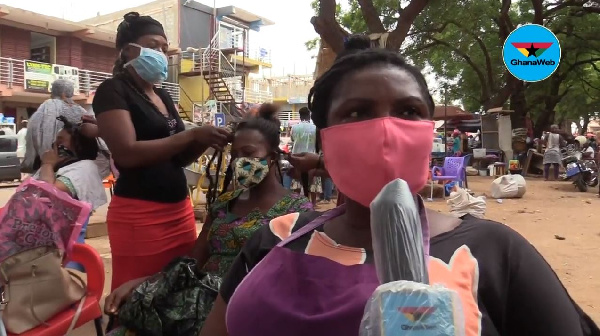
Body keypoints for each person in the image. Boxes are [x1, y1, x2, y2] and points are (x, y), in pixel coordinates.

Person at [200, 36, 599, 336]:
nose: (386, 131)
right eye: (357, 112)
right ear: (324, 138)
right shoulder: (270, 242)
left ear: (428, 131)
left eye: (408, 112)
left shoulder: (495, 253)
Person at [104, 104, 313, 336]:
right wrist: (144, 282)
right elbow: (194, 260)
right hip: (197, 300)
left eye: (248, 153)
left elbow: (296, 285)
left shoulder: (297, 212)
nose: (238, 162)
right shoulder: (224, 204)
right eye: (234, 155)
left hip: (244, 310)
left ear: (272, 157)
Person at [92, 12, 231, 292]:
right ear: (129, 50)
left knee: (175, 289)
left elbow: (179, 157)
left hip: (179, 212)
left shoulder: (164, 95)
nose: (160, 54)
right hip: (140, 216)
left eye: (164, 49)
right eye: (153, 46)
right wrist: (191, 134)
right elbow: (127, 153)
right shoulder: (112, 91)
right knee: (137, 295)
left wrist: (204, 139)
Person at [34, 116, 107, 271]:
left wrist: (47, 163)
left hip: (65, 257)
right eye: (55, 141)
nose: (55, 145)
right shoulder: (60, 168)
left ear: (78, 145)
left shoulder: (84, 168)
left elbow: (48, 194)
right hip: (46, 253)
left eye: (61, 141)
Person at [290, 107, 320, 204]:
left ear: (300, 115)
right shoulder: (315, 128)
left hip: (297, 158)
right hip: (312, 158)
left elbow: (292, 140)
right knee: (313, 183)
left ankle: (298, 204)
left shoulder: (294, 128)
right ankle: (313, 204)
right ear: (309, 115)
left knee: (297, 183)